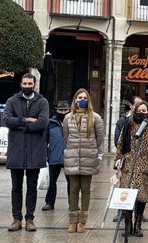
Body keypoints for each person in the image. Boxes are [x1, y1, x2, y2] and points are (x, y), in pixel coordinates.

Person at [2, 73, 49, 232]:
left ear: (35, 84)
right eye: (25, 83)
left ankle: (30, 218)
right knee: (16, 187)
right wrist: (27, 120)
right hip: (16, 151)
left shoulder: (42, 102)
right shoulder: (12, 101)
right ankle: (16, 219)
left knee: (31, 188)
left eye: (30, 83)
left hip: (35, 151)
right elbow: (7, 120)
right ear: (21, 84)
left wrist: (20, 127)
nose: (27, 86)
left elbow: (43, 123)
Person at [115, 101, 148, 236]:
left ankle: (138, 224)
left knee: (142, 196)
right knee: (128, 196)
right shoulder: (128, 124)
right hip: (129, 165)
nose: (142, 113)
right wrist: (118, 160)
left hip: (145, 165)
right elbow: (120, 143)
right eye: (139, 110)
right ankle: (128, 224)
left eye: (144, 111)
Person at [63, 89, 104, 233]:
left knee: (86, 189)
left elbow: (100, 138)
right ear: (74, 100)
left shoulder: (96, 117)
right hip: (72, 157)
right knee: (73, 189)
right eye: (79, 97)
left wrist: (98, 154)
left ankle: (82, 221)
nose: (82, 100)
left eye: (84, 98)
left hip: (89, 156)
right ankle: (72, 220)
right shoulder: (68, 117)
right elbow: (66, 137)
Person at [43, 101, 70, 211]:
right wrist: (45, 155)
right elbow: (45, 140)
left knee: (71, 183)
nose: (63, 112)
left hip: (69, 157)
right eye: (61, 110)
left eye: (65, 110)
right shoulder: (50, 123)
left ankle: (72, 203)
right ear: (56, 110)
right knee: (52, 182)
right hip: (54, 156)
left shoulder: (72, 122)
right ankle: (49, 202)